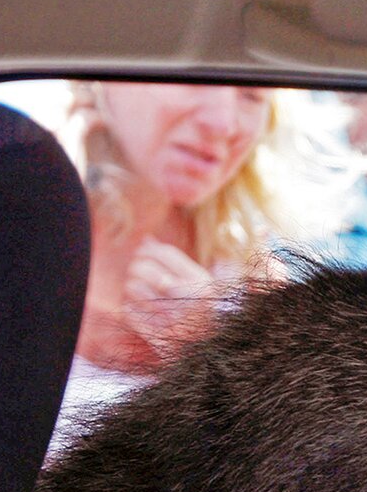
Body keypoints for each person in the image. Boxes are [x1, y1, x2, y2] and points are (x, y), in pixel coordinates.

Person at [50, 81, 282, 453]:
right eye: (193, 77)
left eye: (252, 94)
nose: (224, 124)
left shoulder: (252, 279)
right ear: (105, 76)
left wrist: (203, 355)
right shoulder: (13, 224)